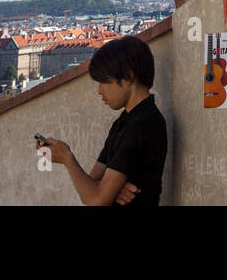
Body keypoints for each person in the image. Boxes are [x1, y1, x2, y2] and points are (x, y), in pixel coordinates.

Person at [37, 36, 167, 207]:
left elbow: (95, 200)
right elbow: (92, 185)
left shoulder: (142, 125)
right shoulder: (125, 122)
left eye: (104, 82)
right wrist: (111, 190)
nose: (99, 91)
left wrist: (67, 158)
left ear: (128, 77)